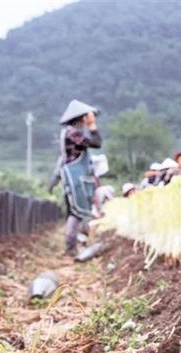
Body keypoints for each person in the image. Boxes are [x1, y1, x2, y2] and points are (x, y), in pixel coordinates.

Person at [48, 99, 102, 256]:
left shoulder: (72, 132)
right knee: (76, 212)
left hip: (78, 178)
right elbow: (97, 143)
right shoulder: (73, 132)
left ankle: (74, 245)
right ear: (82, 117)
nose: (90, 119)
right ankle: (70, 247)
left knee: (78, 212)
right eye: (88, 117)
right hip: (74, 178)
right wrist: (92, 126)